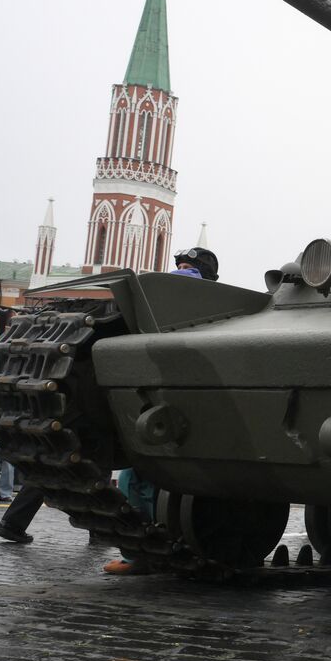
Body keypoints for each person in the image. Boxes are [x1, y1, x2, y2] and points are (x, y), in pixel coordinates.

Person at [103, 245, 218, 574]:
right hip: (159, 409)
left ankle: (151, 551)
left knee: (152, 481)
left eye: (190, 267)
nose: (182, 271)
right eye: (180, 265)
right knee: (135, 479)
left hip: (189, 413)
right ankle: (142, 551)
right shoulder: (161, 304)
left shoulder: (209, 303)